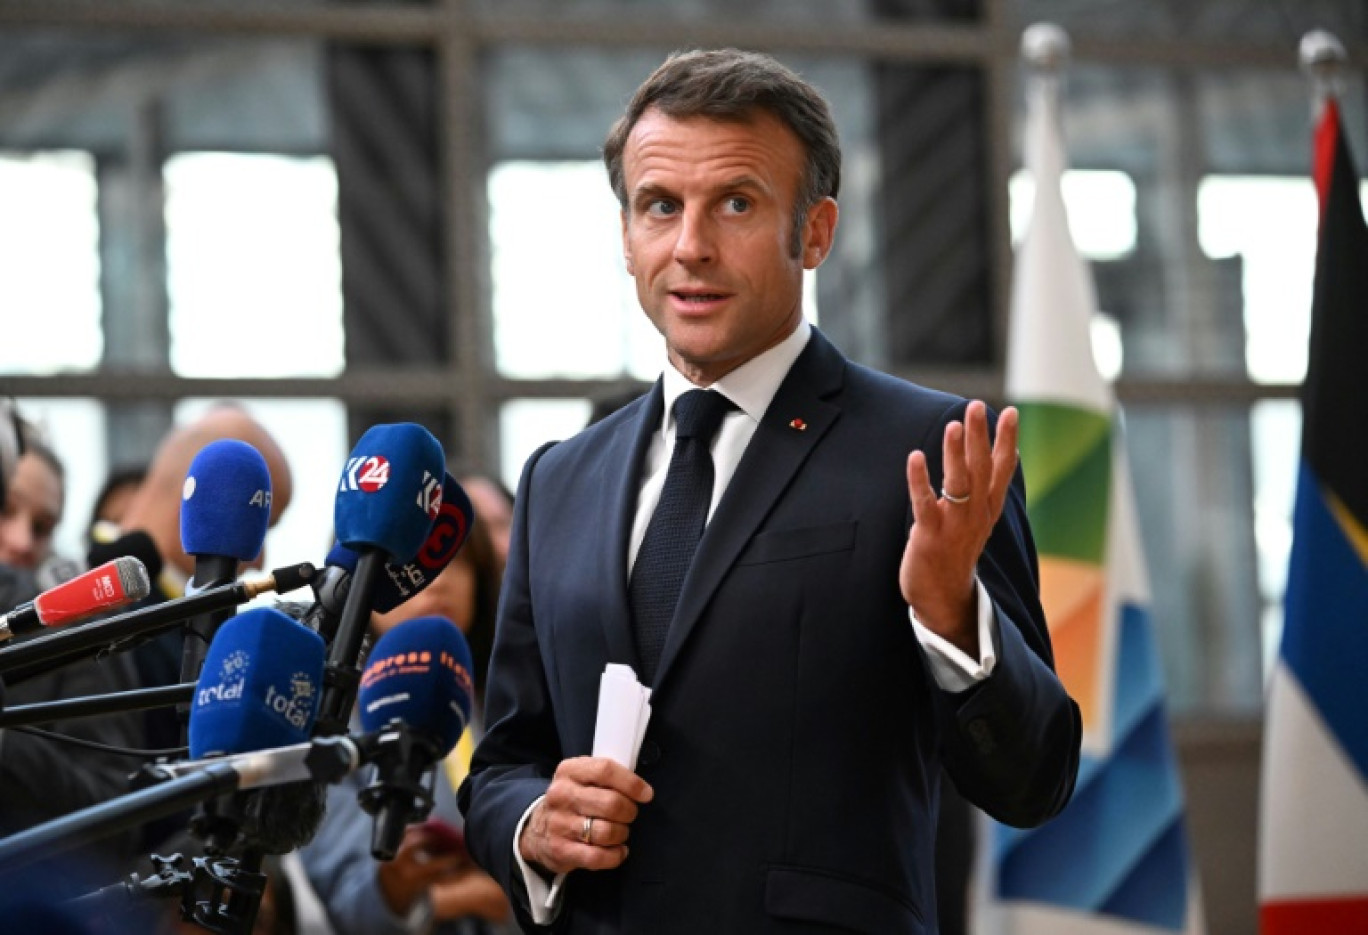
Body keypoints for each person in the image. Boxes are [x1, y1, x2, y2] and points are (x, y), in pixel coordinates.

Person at [459, 48, 1081, 933]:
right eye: (659, 206)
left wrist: (951, 616)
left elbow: (1035, 780)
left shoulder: (928, 452)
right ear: (628, 235)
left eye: (737, 204)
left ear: (816, 232)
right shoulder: (559, 478)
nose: (691, 246)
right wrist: (533, 822)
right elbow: (505, 761)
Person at [299, 491, 513, 935]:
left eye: (454, 560)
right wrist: (445, 897)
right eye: (411, 566)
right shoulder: (333, 724)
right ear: (356, 586)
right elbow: (347, 899)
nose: (437, 582)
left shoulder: (510, 704)